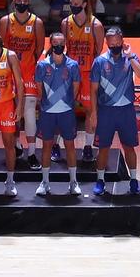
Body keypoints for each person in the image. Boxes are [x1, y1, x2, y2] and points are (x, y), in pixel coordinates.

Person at [89, 26, 140, 196]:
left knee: (129, 147)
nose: (114, 46)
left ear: (122, 41)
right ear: (107, 43)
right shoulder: (99, 62)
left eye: (116, 43)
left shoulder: (131, 57)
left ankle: (134, 181)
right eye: (110, 44)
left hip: (126, 111)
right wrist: (93, 113)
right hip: (106, 110)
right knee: (103, 148)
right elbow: (93, 90)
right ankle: (100, 180)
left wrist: (130, 56)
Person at [0, 0, 49, 167]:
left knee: (28, 113)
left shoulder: (37, 22)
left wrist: (28, 61)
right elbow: (2, 47)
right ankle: (17, 145)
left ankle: (32, 153)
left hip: (28, 72)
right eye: (18, 0)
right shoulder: (5, 21)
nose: (21, 3)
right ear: (14, 1)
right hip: (9, 73)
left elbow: (40, 48)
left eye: (24, 0)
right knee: (12, 113)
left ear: (29, 2)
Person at [35, 33, 83, 195]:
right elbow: (39, 87)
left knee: (70, 145)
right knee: (47, 146)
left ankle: (73, 182)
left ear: (65, 44)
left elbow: (76, 87)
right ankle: (45, 182)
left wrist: (67, 102)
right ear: (51, 44)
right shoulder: (42, 66)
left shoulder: (73, 65)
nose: (58, 46)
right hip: (47, 112)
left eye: (61, 43)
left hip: (66, 112)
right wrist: (47, 103)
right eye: (55, 43)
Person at [62, 0, 106, 163]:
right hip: (70, 73)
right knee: (63, 109)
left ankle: (87, 146)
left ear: (85, 5)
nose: (73, 7)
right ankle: (58, 145)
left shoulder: (96, 25)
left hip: (88, 73)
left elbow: (99, 51)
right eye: (71, 5)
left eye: (76, 5)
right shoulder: (66, 23)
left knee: (90, 110)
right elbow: (64, 47)